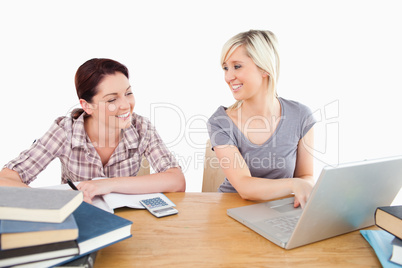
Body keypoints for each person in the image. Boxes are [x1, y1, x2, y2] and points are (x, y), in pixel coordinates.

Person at [0, 58, 186, 202]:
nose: (126, 105)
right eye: (112, 99)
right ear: (87, 106)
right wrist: (54, 203)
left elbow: (176, 181)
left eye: (128, 93)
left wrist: (107, 184)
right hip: (80, 219)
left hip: (126, 220)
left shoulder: (141, 127)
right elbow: (6, 179)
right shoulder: (65, 131)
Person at [207, 30, 316, 208]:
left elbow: (305, 177)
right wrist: (292, 185)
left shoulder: (301, 116)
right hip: (232, 211)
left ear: (264, 68)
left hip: (282, 211)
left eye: (237, 66)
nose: (228, 77)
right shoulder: (220, 122)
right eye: (225, 68)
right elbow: (244, 186)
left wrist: (303, 186)